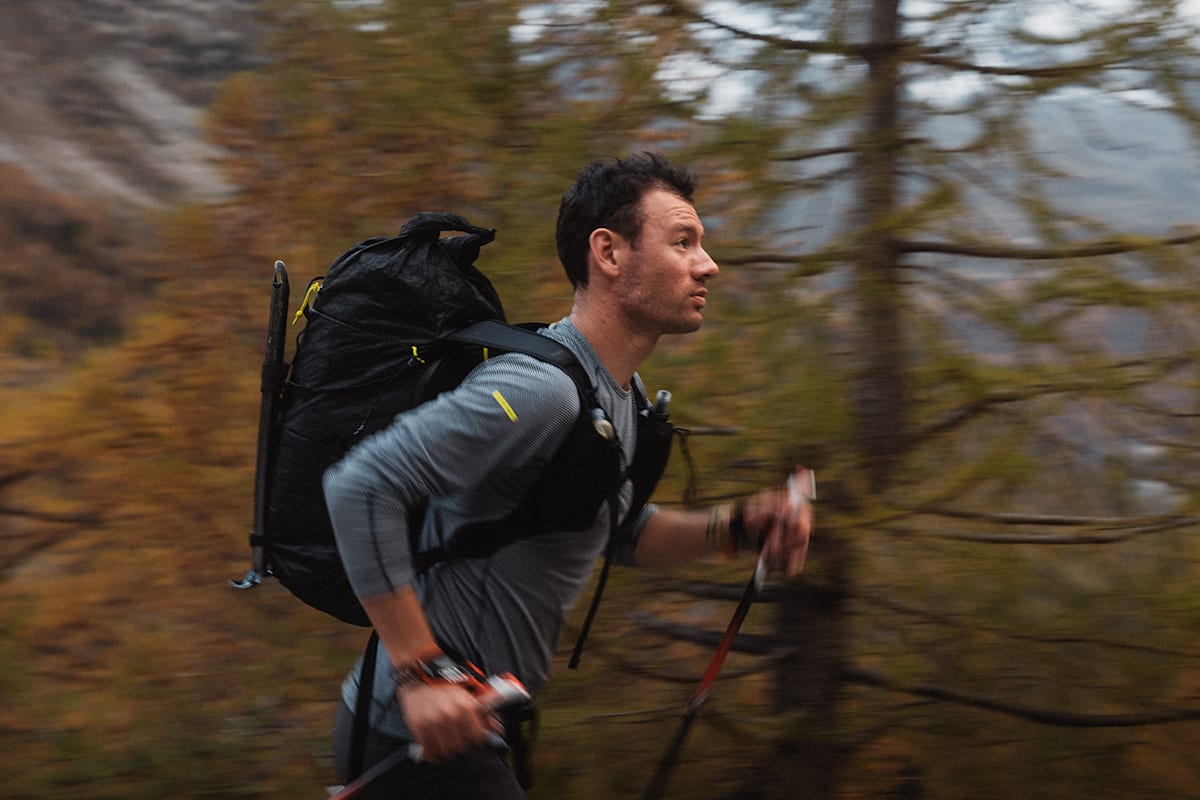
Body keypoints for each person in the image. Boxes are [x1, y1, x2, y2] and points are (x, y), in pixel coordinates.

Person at [322, 151, 814, 798]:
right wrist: (422, 675)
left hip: (473, 730)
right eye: (683, 241)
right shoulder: (541, 391)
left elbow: (616, 531)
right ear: (608, 253)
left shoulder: (621, 396)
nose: (708, 264)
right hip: (412, 737)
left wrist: (739, 527)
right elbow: (362, 484)